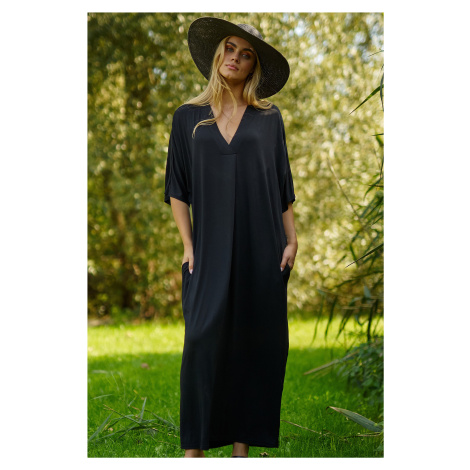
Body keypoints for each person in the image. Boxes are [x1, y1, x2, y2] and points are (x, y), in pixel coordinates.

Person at [164, 17, 298, 458]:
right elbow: (177, 189)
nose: (235, 59)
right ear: (217, 54)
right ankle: (194, 452)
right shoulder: (188, 118)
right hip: (208, 250)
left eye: (246, 54)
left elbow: (282, 185)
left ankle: (242, 452)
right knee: (201, 342)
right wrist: (189, 245)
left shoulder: (269, 118)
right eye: (230, 49)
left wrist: (292, 239)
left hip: (262, 247)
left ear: (254, 66)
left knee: (256, 344)